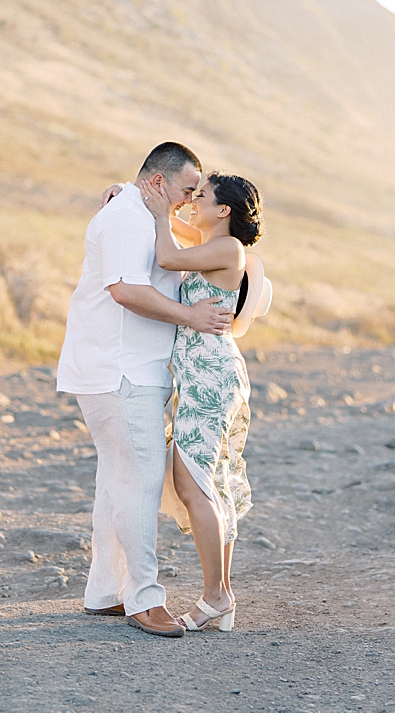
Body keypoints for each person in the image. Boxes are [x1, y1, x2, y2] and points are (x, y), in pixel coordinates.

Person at [56, 142, 234, 639]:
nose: (188, 199)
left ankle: (105, 592)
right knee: (139, 480)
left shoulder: (139, 212)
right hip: (120, 372)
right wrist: (191, 317)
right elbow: (126, 291)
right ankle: (145, 600)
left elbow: (173, 257)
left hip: (131, 371)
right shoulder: (126, 217)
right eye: (184, 189)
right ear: (158, 182)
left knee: (117, 480)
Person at [139, 171, 265, 633]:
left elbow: (167, 254)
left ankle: (216, 595)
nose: (193, 201)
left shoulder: (229, 249)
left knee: (194, 486)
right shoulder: (213, 242)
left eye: (203, 196)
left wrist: (157, 214)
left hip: (211, 377)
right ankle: (221, 597)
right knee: (211, 484)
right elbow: (180, 229)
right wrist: (146, 201)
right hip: (205, 376)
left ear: (224, 210)